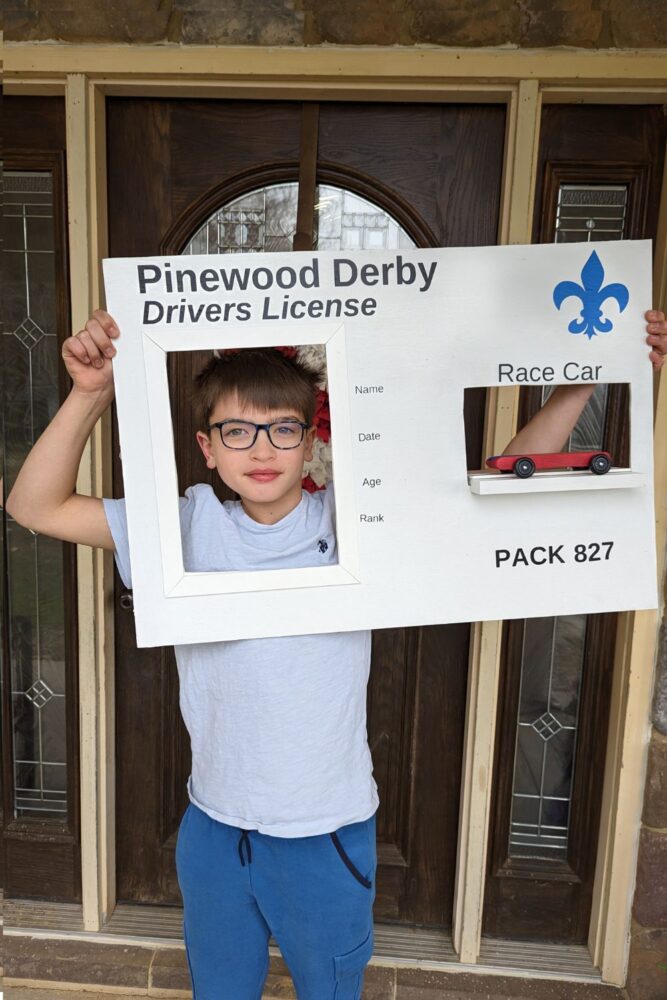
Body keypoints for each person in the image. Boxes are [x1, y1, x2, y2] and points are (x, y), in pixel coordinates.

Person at [6, 307, 667, 1000]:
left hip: (323, 834)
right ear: (207, 447)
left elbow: (498, 491)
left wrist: (579, 383)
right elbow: (34, 506)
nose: (260, 450)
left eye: (281, 430)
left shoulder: (353, 522)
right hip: (215, 828)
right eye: (238, 431)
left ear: (307, 439)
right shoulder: (185, 524)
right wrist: (88, 394)